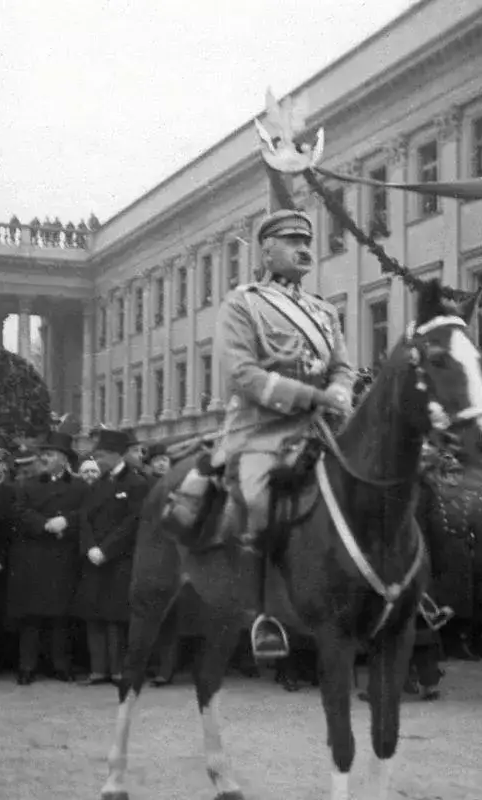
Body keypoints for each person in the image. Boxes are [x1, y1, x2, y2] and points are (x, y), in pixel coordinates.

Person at [164, 208, 354, 660]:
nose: (304, 248)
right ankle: (264, 613)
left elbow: (342, 366)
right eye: (291, 241)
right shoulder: (241, 304)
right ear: (267, 250)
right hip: (259, 430)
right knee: (259, 499)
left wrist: (342, 391)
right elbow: (243, 375)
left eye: (307, 240)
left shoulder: (324, 312)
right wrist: (314, 397)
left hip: (322, 429)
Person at [8, 432, 84, 685]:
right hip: (35, 555)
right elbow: (19, 512)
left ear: (63, 459)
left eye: (49, 455)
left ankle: (60, 665)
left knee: (60, 616)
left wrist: (68, 521)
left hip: (64, 556)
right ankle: (27, 665)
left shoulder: (79, 486)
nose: (43, 459)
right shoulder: (28, 485)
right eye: (43, 455)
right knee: (32, 616)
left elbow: (87, 513)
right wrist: (45, 524)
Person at [74, 428, 148, 684]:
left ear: (118, 455)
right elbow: (84, 517)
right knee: (94, 612)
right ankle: (98, 669)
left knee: (116, 615)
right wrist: (90, 547)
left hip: (119, 558)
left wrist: (106, 549)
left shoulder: (136, 483)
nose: (99, 461)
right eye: (97, 455)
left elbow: (133, 522)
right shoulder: (98, 484)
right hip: (94, 557)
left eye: (103, 455)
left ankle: (118, 670)